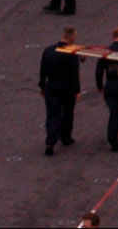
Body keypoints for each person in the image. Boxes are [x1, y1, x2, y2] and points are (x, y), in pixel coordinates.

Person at [38, 25, 82, 155]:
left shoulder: (48, 51)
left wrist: (42, 86)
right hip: (67, 88)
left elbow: (43, 70)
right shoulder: (71, 54)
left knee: (52, 114)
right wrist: (77, 90)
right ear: (72, 37)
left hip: (52, 86)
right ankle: (65, 137)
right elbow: (74, 73)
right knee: (68, 113)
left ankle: (50, 141)